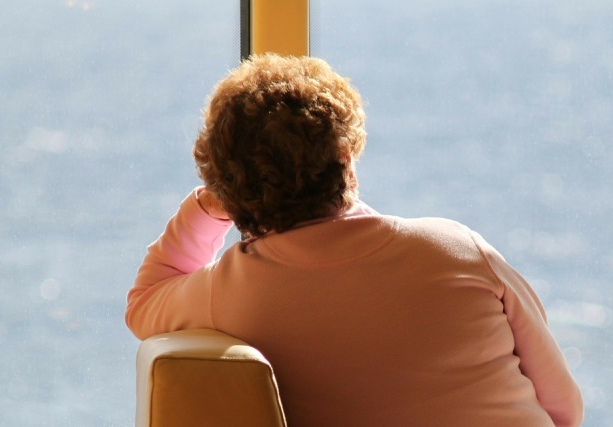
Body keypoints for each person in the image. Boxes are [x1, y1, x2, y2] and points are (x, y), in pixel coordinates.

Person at [127, 53, 583, 427]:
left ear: (228, 188)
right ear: (346, 157)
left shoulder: (227, 292)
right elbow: (565, 409)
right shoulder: (459, 250)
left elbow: (145, 302)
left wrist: (206, 208)